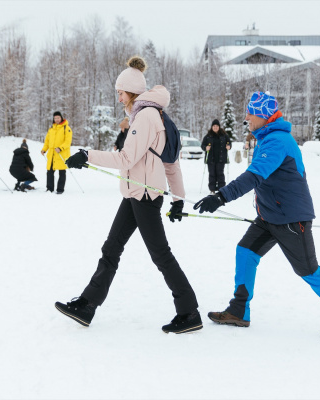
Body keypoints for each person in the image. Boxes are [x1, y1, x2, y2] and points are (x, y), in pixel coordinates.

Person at [193, 91, 320, 341]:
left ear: (263, 115)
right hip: (270, 217)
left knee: (308, 271)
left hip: (291, 220)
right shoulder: (267, 138)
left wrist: (220, 197)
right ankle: (239, 310)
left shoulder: (277, 141)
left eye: (251, 112)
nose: (247, 117)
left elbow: (254, 176)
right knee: (246, 252)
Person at [56, 56, 202, 334]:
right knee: (111, 249)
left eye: (120, 92)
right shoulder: (155, 114)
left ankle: (189, 312)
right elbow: (170, 163)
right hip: (137, 193)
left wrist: (87, 155)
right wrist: (178, 199)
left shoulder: (146, 115)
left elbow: (126, 158)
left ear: (132, 91)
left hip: (144, 195)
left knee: (160, 254)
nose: (119, 98)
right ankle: (87, 305)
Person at [41, 111, 72, 194]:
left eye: (58, 118)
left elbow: (68, 142)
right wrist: (44, 149)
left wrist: (60, 148)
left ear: (61, 118)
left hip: (61, 153)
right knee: (49, 171)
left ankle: (60, 189)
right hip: (52, 154)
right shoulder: (51, 129)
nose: (56, 119)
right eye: (55, 118)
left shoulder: (66, 128)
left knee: (62, 172)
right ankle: (49, 189)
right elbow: (47, 141)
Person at [201, 119, 231, 193]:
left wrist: (229, 146)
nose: (215, 127)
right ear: (212, 127)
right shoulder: (208, 136)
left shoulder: (224, 135)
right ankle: (212, 189)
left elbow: (229, 143)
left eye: (217, 126)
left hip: (221, 158)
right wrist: (206, 148)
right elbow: (202, 145)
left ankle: (221, 189)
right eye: (214, 126)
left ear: (219, 127)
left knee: (220, 173)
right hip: (211, 158)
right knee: (212, 174)